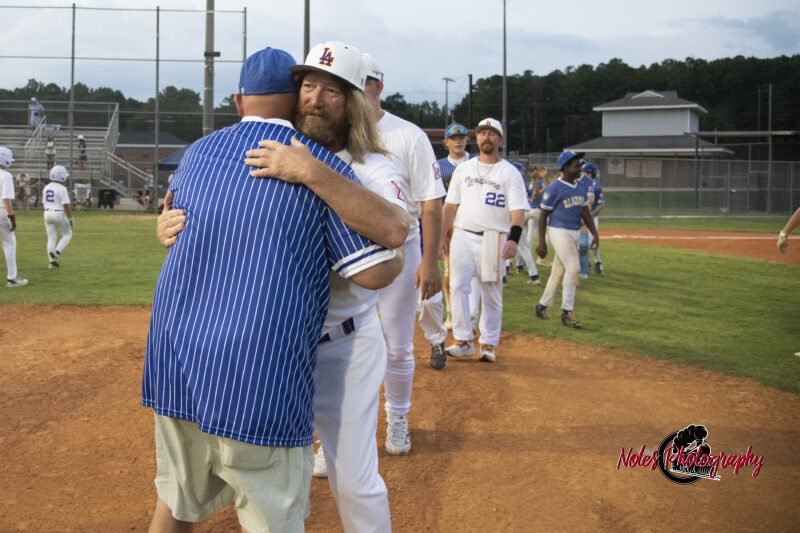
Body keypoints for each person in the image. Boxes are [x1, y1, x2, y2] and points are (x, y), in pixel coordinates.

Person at [142, 47, 402, 533]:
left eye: (330, 91)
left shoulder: (198, 154)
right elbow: (375, 271)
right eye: (309, 87)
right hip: (264, 370)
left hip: (177, 361)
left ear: (240, 101)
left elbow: (395, 224)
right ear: (293, 100)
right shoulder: (322, 162)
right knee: (271, 516)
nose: (318, 100)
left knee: (176, 502)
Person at [361, 52, 445, 453]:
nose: (355, 93)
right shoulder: (335, 135)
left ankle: (397, 418)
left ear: (378, 86)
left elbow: (431, 203)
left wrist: (430, 261)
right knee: (341, 346)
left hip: (401, 246)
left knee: (396, 344)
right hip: (347, 249)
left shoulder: (407, 134)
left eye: (362, 84)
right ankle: (340, 434)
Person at [442, 118, 528, 362]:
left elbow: (518, 211)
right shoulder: (464, 169)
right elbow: (450, 205)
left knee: (491, 291)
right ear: (476, 138)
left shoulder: (509, 172)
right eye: (482, 133)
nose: (486, 137)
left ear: (500, 139)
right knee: (457, 286)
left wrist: (513, 239)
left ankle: (488, 343)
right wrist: (440, 236)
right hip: (462, 235)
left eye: (492, 133)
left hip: (494, 237)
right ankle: (463, 340)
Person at [534, 150, 600, 328]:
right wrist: (541, 242)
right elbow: (543, 214)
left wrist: (595, 234)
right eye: (576, 164)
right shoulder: (555, 188)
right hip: (559, 230)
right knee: (574, 267)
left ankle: (542, 306)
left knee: (558, 271)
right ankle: (567, 312)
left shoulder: (580, 186)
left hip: (574, 232)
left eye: (579, 163)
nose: (580, 167)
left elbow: (585, 212)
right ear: (565, 167)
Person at [434, 122, 482, 345]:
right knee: (450, 274)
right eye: (453, 138)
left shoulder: (477, 163)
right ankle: (453, 313)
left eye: (462, 137)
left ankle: (471, 316)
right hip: (450, 225)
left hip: (474, 221)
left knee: (478, 274)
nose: (458, 141)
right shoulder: (440, 167)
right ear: (446, 143)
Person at [0, 147, 28, 287]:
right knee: (9, 244)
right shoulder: (5, 175)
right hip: (1, 212)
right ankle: (12, 279)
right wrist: (11, 216)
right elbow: (6, 199)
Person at [515, 165, 542, 285]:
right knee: (523, 246)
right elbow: (534, 194)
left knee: (501, 244)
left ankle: (504, 275)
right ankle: (533, 275)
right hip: (524, 212)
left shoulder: (510, 181)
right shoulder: (523, 183)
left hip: (512, 215)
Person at [42, 165, 74, 268]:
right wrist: (70, 218)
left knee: (51, 238)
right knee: (68, 234)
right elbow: (66, 205)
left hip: (47, 213)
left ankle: (52, 262)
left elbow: (44, 202)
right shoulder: (62, 188)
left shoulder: (46, 187)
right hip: (58, 213)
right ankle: (57, 251)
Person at [584, 161, 605, 274]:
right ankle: (585, 263)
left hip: (592, 217)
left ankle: (598, 262)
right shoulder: (581, 184)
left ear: (590, 173)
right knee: (581, 242)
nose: (582, 174)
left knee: (592, 241)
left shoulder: (596, 186)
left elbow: (601, 204)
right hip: (581, 218)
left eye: (585, 172)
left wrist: (591, 215)